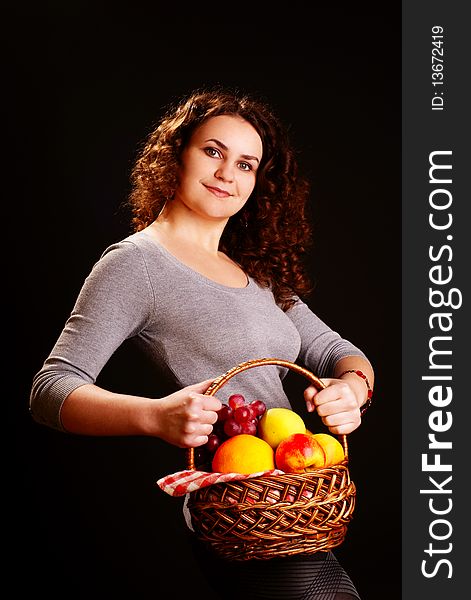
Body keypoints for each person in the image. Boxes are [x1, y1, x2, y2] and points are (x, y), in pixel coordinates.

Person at [30, 86, 374, 599]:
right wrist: (155, 416)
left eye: (246, 164)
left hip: (292, 498)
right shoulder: (135, 264)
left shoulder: (254, 272)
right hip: (233, 509)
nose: (226, 173)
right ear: (176, 155)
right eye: (213, 151)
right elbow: (50, 391)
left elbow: (334, 349)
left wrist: (352, 388)